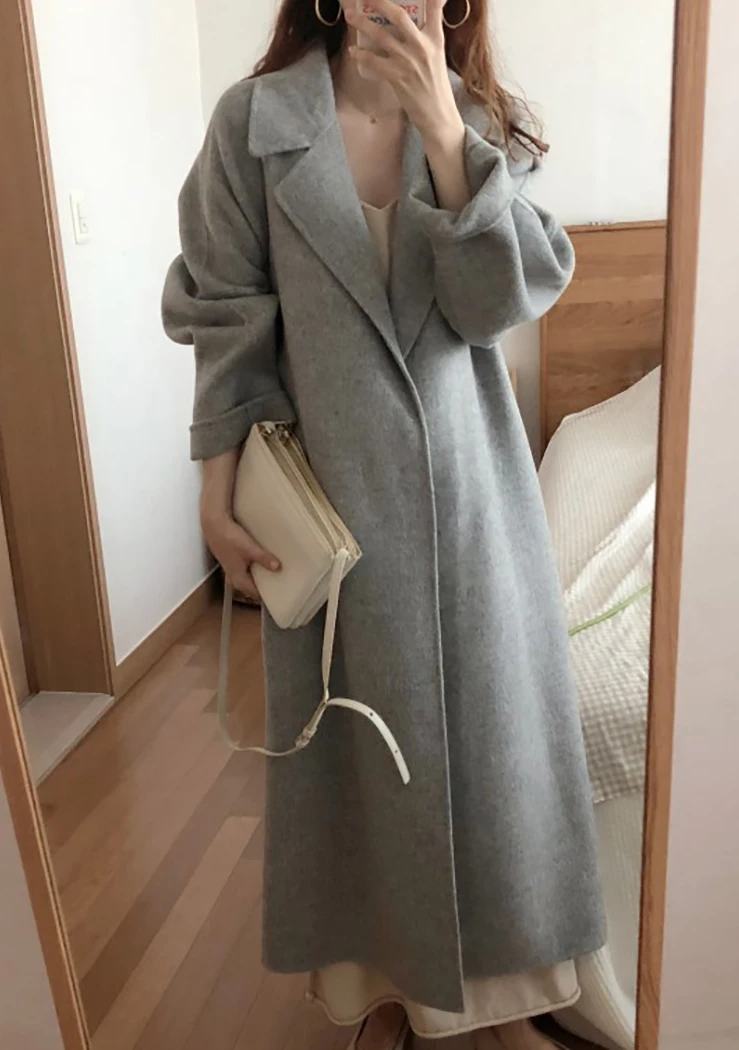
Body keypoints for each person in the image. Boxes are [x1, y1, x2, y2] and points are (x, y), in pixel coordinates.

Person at [163, 0, 606, 1046]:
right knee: (360, 767)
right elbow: (228, 319)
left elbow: (496, 307)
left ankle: (505, 1006)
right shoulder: (253, 125)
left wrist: (447, 140)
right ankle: (387, 996)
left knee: (492, 763)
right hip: (334, 511)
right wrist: (214, 491)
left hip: (473, 505)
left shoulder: (484, 125)